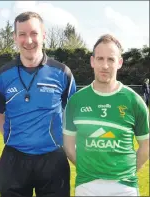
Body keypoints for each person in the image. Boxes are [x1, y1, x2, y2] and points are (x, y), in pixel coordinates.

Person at [0, 11, 76, 197]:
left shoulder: (63, 73)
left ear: (44, 35)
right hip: (14, 159)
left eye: (34, 33)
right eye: (22, 34)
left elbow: (72, 114)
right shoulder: (3, 75)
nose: (28, 40)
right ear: (14, 37)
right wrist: (14, 136)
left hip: (53, 159)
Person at [63, 34, 149, 196]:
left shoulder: (134, 101)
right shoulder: (76, 101)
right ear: (92, 61)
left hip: (125, 187)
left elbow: (146, 146)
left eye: (111, 59)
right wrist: (87, 169)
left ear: (120, 63)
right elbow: (68, 145)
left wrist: (126, 172)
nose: (105, 65)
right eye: (100, 59)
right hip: (87, 185)